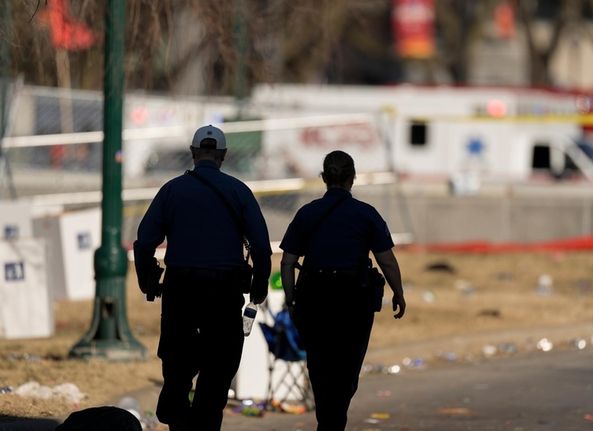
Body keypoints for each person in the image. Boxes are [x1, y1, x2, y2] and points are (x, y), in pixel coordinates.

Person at [133, 125, 272, 431]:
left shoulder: (171, 190)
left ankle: (176, 412)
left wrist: (148, 282)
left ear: (194, 152)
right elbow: (261, 246)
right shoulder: (239, 192)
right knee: (217, 372)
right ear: (223, 155)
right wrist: (259, 287)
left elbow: (144, 243)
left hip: (181, 291)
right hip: (224, 293)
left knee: (177, 366)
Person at [280, 150, 406, 431]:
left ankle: (328, 420)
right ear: (353, 178)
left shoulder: (307, 214)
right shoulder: (366, 215)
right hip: (354, 302)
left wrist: (291, 300)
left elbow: (288, 262)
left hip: (313, 299)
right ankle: (334, 421)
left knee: (320, 367)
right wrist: (398, 292)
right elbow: (386, 259)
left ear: (324, 178)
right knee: (347, 369)